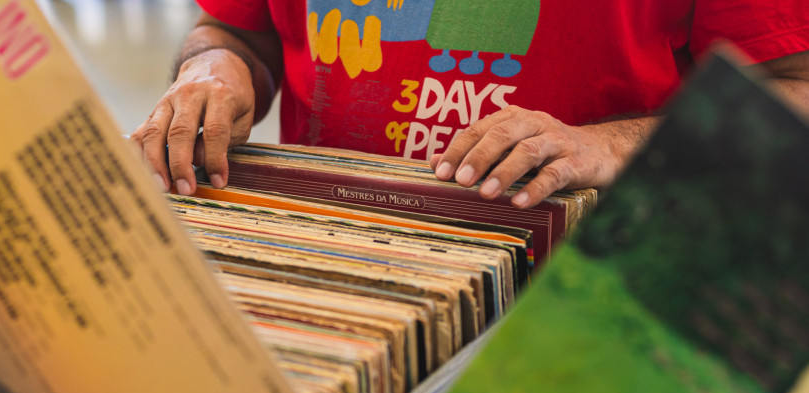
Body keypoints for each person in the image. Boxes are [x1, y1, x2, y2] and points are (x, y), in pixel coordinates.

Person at [131, 0, 809, 208]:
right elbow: (240, 28)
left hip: (579, 289)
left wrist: (606, 145)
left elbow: (794, 91)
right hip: (336, 274)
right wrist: (213, 69)